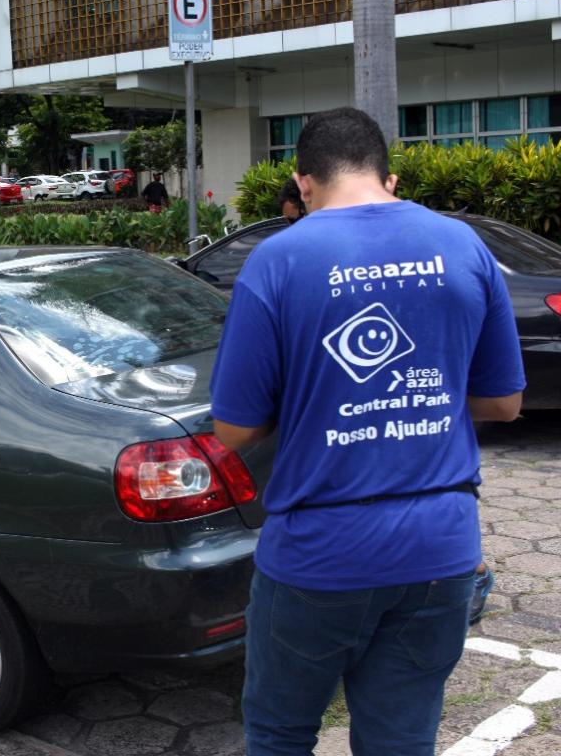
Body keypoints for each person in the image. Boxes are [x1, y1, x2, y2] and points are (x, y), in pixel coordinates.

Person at [209, 107, 524, 755]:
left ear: (302, 184)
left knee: (280, 732)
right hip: (441, 550)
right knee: (402, 741)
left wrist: (328, 404)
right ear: (392, 178)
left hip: (320, 553)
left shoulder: (278, 260)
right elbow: (504, 404)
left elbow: (235, 429)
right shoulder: (463, 245)